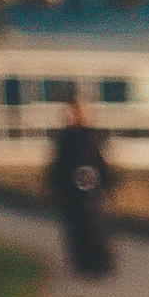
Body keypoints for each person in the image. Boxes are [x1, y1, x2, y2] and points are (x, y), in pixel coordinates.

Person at [45, 88, 114, 276]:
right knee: (76, 228)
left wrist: (108, 184)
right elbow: (59, 166)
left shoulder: (90, 137)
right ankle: (84, 264)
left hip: (89, 192)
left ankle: (98, 263)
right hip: (71, 192)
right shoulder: (67, 139)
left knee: (93, 226)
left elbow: (99, 162)